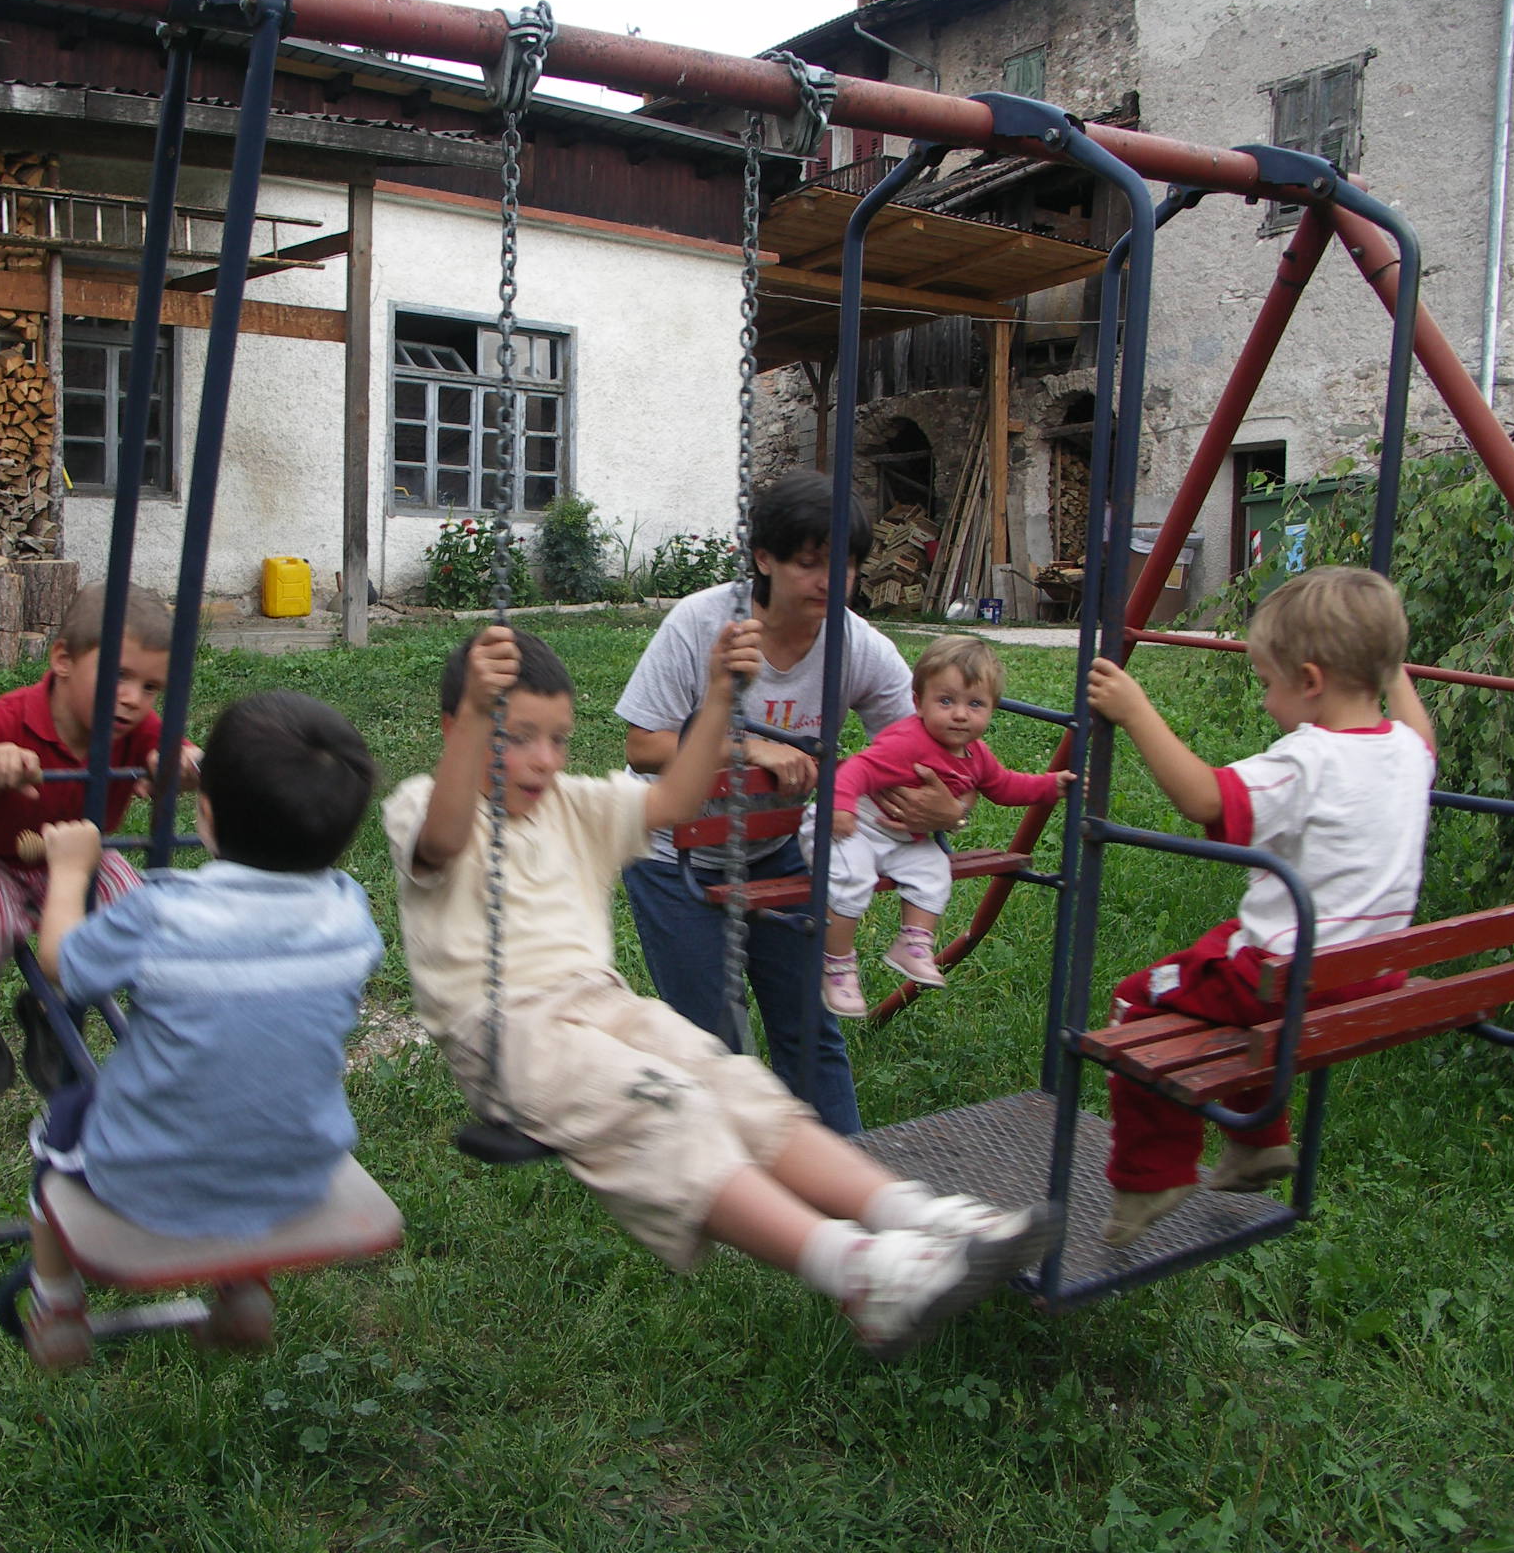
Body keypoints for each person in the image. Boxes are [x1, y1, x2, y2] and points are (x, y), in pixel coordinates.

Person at [384, 626, 1061, 1357]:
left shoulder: (572, 803)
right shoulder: (426, 805)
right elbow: (443, 842)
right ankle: (861, 1274)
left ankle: (913, 1215)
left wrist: (715, 700)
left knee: (733, 1083)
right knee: (666, 1107)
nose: (544, 759)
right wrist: (477, 716)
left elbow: (676, 798)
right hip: (508, 1031)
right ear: (458, 729)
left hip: (602, 1003)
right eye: (516, 737)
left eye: (558, 739)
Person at [19, 691, 384, 1370]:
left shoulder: (162, 911)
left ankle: (58, 1305)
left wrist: (69, 871)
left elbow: (63, 964)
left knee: (60, 1125)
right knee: (251, 1096)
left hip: (148, 1183)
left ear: (206, 812)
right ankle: (243, 1293)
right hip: (299, 1173)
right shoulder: (350, 912)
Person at [1085, 566, 1436, 1249]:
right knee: (1222, 951)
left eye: (1268, 683)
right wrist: (1386, 664)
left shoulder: (1309, 760)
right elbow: (1418, 723)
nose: (1268, 702)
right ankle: (1255, 1141)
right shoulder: (1407, 751)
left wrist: (1135, 712)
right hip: (1371, 971)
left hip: (1289, 977)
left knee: (1137, 1000)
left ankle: (1153, 1174)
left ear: (1311, 681)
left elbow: (1206, 800)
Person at [617, 471, 968, 1132]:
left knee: (811, 1031)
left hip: (779, 849)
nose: (830, 583)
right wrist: (748, 749)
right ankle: (730, 1178)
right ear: (763, 559)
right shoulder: (702, 624)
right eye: (809, 564)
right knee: (709, 1044)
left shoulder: (855, 644)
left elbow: (924, 749)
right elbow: (643, 745)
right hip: (673, 859)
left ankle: (847, 1174)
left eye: (846, 566)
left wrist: (948, 806)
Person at [0, 582, 199, 1096]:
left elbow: (183, 756)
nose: (133, 699)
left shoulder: (138, 729)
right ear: (62, 660)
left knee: (136, 916)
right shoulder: (12, 716)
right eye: (118, 675)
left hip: (74, 851)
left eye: (150, 687)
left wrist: (181, 763)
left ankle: (48, 1006)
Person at [814, 635, 1074, 1015]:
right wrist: (839, 809)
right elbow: (857, 769)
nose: (960, 714)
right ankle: (837, 965)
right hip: (855, 828)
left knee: (934, 870)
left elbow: (1005, 786)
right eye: (946, 701)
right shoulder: (907, 741)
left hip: (902, 840)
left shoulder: (977, 755)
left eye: (975, 704)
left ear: (992, 708)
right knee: (852, 879)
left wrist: (1051, 786)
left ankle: (913, 942)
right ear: (918, 703)